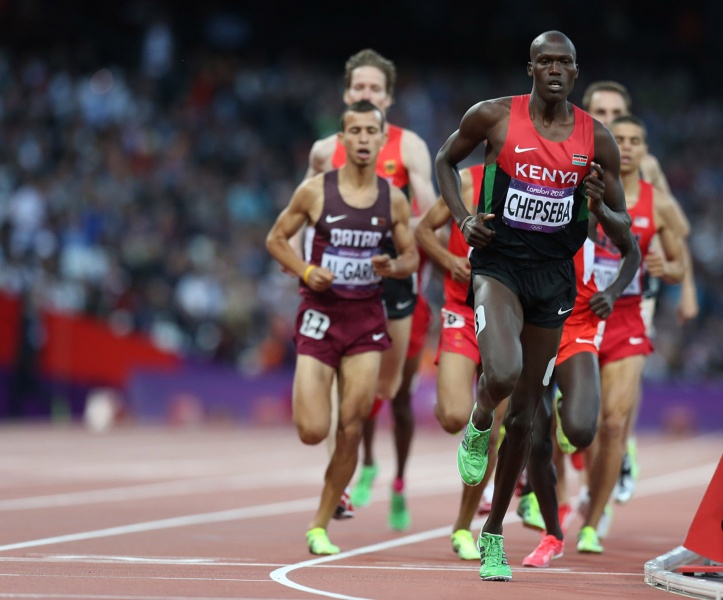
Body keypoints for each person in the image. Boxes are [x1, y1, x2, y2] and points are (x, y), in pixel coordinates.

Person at [435, 30, 637, 581]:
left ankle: (493, 533)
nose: (553, 69)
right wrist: (464, 219)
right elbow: (445, 161)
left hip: (554, 279)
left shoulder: (596, 140)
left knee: (526, 417)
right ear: (530, 68)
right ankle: (480, 421)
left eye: (563, 62)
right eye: (544, 61)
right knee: (501, 373)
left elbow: (622, 229)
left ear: (575, 73)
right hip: (499, 266)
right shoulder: (494, 116)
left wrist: (600, 207)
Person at [265, 100, 419, 554]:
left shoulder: (393, 198)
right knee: (313, 430)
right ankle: (326, 503)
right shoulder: (315, 191)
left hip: (366, 321)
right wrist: (306, 271)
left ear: (383, 138)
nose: (364, 139)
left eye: (372, 131)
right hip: (320, 318)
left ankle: (320, 525)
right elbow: (276, 239)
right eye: (355, 131)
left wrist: (393, 266)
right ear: (342, 139)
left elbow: (411, 256)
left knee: (352, 425)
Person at [306, 48, 437, 528]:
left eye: (375, 89)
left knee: (390, 391)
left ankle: (393, 475)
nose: (367, 94)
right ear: (346, 95)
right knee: (343, 385)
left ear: (389, 97)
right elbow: (302, 210)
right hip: (341, 286)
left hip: (396, 282)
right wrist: (303, 265)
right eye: (359, 87)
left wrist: (388, 228)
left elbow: (433, 219)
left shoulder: (410, 147)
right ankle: (341, 483)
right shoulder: (325, 150)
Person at [581, 80, 699, 504]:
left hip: (636, 291)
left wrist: (686, 289)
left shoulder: (645, 165)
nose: (610, 121)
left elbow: (673, 230)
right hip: (583, 290)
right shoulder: (578, 154)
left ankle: (623, 446)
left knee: (625, 375)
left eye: (617, 113)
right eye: (602, 113)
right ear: (588, 113)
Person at [521, 226, 640, 566]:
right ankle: (550, 532)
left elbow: (633, 250)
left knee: (598, 428)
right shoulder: (523, 194)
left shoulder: (601, 199)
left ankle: (591, 523)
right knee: (532, 431)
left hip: (593, 316)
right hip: (536, 314)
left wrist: (615, 291)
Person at [415, 164, 510, 560]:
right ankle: (470, 424)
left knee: (493, 431)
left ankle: (463, 526)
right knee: (454, 417)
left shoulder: (540, 184)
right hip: (462, 310)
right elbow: (423, 230)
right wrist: (447, 259)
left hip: (508, 315)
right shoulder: (467, 181)